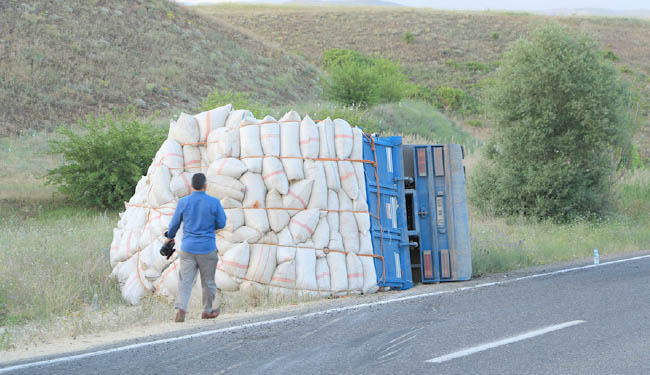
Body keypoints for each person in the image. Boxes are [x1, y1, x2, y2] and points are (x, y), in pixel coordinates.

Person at [165, 173, 227, 322]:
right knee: (208, 282)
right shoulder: (214, 202)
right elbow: (222, 223)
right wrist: (211, 227)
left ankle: (181, 308)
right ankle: (207, 310)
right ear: (205, 186)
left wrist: (170, 236)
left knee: (185, 281)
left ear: (191, 186)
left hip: (187, 248)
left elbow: (174, 225)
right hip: (207, 248)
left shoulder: (183, 202)